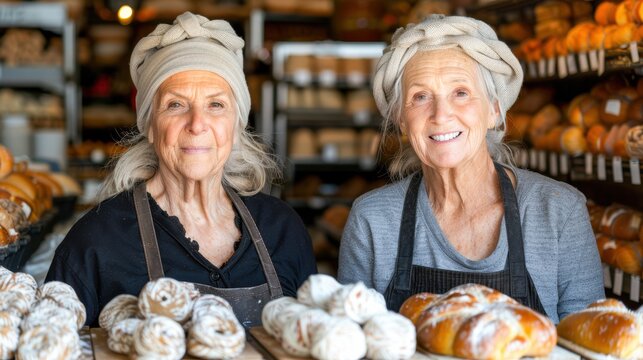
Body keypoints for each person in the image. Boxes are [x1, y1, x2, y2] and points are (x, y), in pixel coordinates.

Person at [46, 12, 317, 327]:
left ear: (236, 124)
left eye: (216, 105)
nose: (197, 124)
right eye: (176, 105)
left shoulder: (282, 231)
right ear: (150, 124)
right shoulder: (95, 243)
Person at [337, 14, 603, 323]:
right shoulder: (372, 220)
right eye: (420, 97)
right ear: (401, 119)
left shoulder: (558, 212)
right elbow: (349, 346)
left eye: (460, 93)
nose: (441, 114)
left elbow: (591, 350)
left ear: (494, 110)